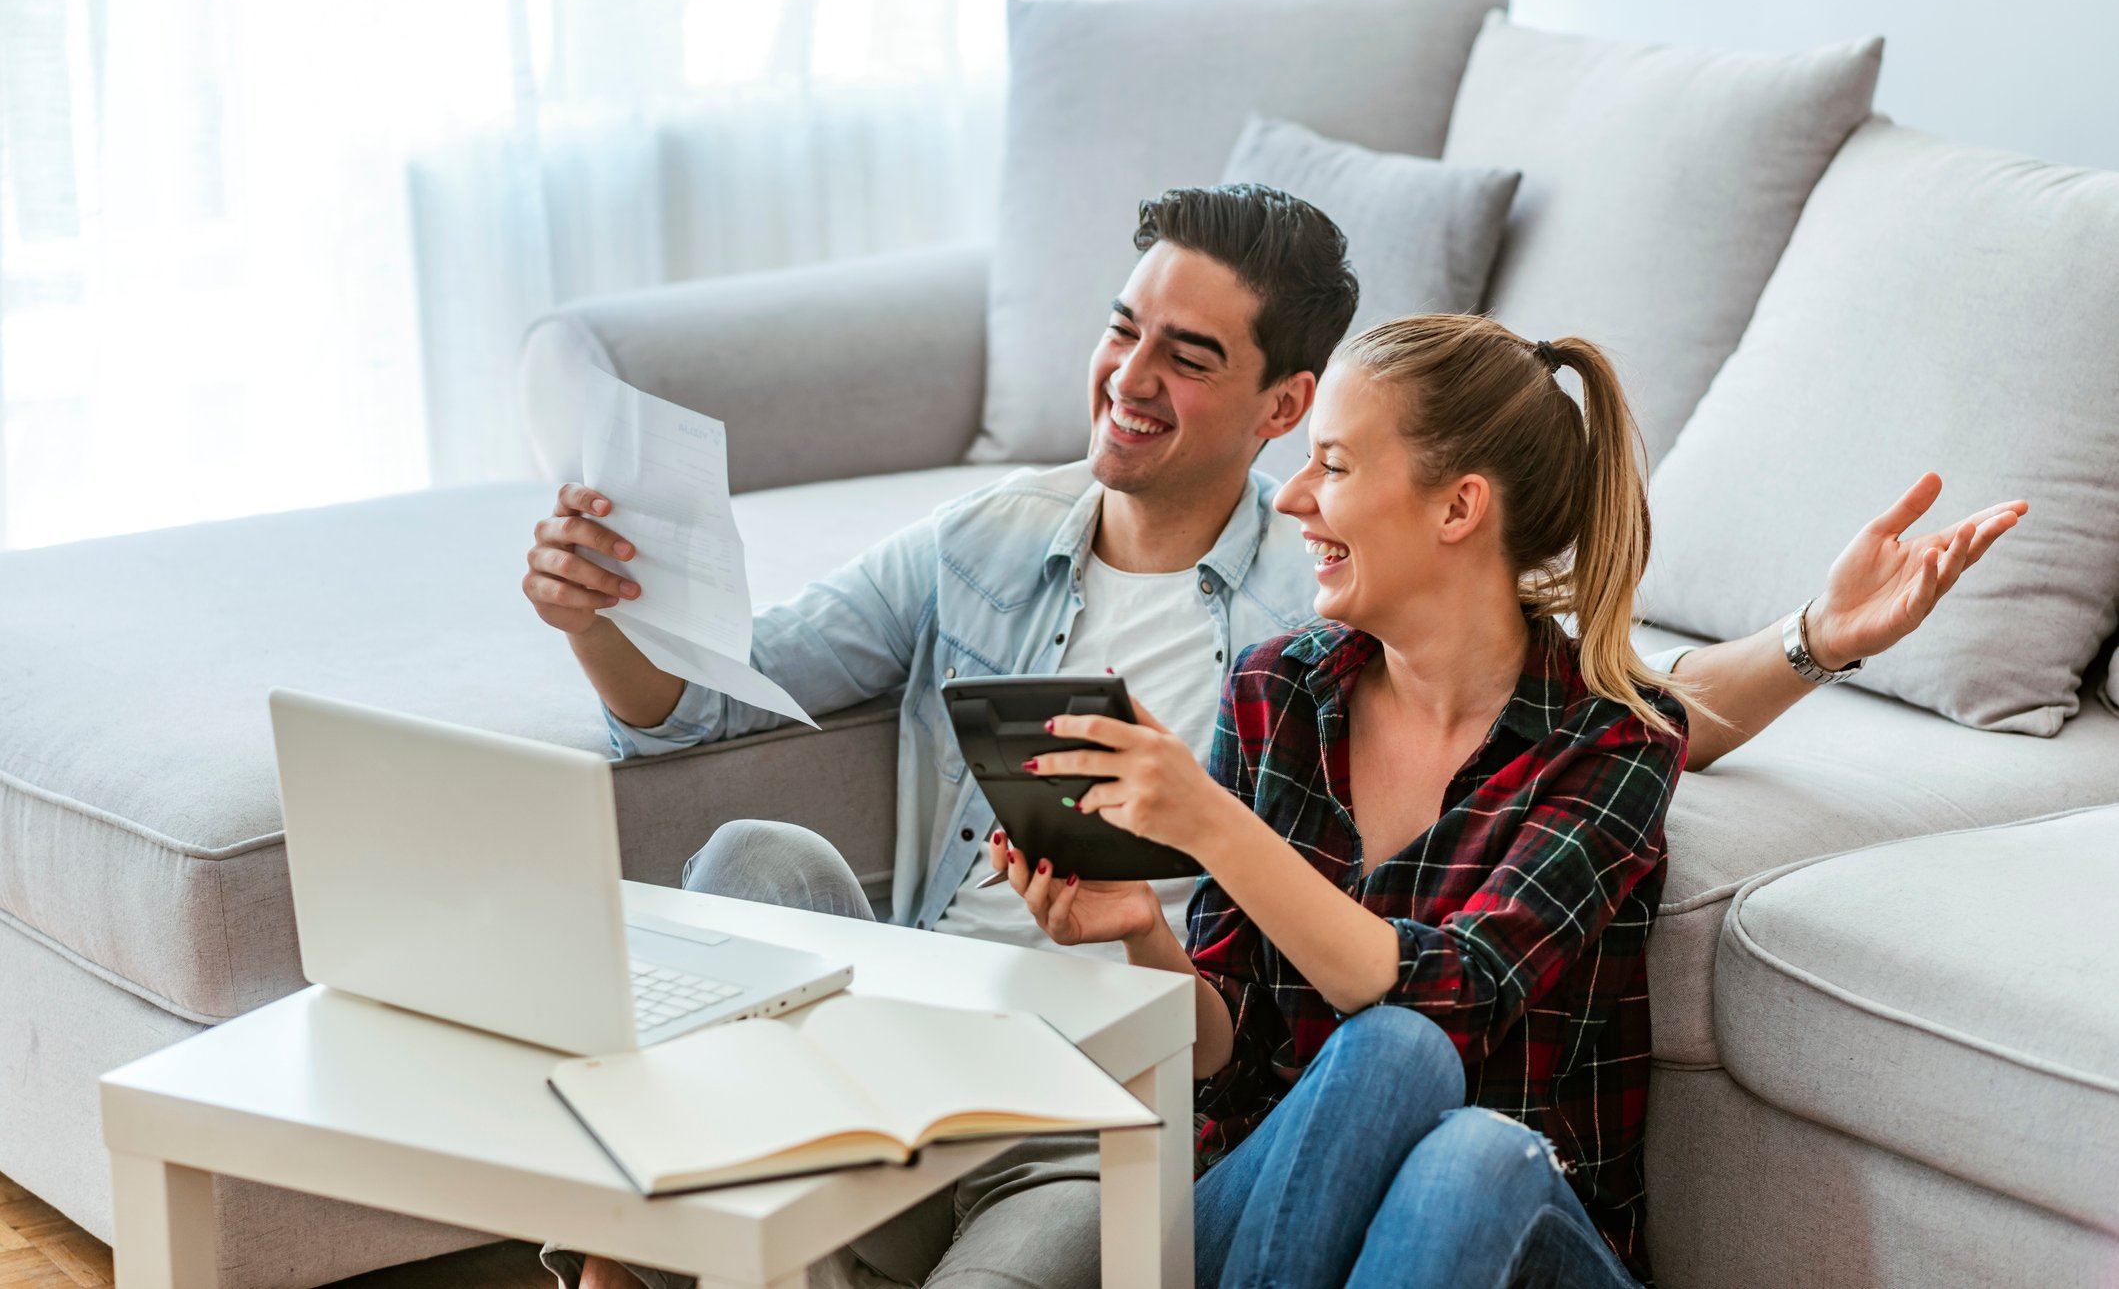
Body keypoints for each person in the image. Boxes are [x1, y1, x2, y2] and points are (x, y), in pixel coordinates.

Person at [521, 187, 2023, 1289]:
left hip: (1256, 1146)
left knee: (1436, 1112)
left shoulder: (1427, 667)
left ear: (1293, 416)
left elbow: (1574, 788)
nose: (1129, 379)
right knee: (759, 857)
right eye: (1123, 333)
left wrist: (1813, 641)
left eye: (1192, 361)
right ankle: (634, 1247)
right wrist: (1137, 934)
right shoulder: (1274, 676)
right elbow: (1228, 1024)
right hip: (1066, 1079)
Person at [1002, 313, 1693, 1285]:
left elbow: (1457, 993)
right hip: (1270, 1218)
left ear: (1457, 508)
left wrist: (1211, 820)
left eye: (1330, 464)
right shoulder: (1276, 691)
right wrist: (1140, 937)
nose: (1288, 496)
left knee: (1465, 1142)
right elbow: (1228, 1063)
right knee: (1392, 1055)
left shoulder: (1611, 737)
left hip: (1504, 1234)